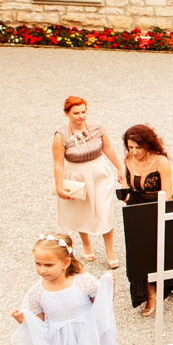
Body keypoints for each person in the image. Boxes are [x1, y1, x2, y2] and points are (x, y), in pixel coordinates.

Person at [122, 124, 173, 317]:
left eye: (137, 148)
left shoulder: (160, 162)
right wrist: (125, 196)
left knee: (169, 248)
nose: (133, 152)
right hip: (136, 208)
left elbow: (167, 193)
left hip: (159, 205)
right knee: (140, 255)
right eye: (130, 147)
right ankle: (149, 295)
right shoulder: (127, 159)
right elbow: (127, 185)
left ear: (147, 145)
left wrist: (159, 216)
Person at [53, 96, 123, 267]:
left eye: (83, 111)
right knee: (81, 210)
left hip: (99, 171)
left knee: (104, 210)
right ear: (67, 113)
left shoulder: (97, 127)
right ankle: (86, 243)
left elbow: (107, 148)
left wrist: (119, 168)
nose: (81, 116)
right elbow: (58, 164)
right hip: (76, 173)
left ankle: (109, 250)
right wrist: (59, 187)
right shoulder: (60, 135)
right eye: (76, 113)